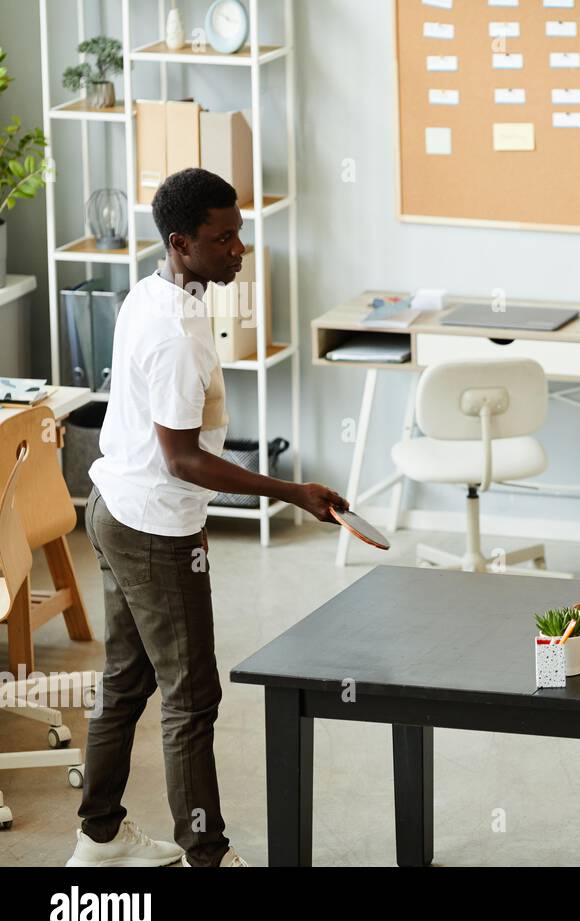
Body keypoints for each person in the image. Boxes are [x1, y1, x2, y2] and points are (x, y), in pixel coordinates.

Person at [67, 168, 348, 868]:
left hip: (114, 507)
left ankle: (97, 837)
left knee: (127, 682)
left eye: (240, 235)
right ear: (181, 241)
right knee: (192, 700)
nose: (239, 250)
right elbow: (183, 460)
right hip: (154, 529)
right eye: (223, 240)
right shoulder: (177, 333)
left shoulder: (156, 291)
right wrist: (290, 491)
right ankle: (208, 857)